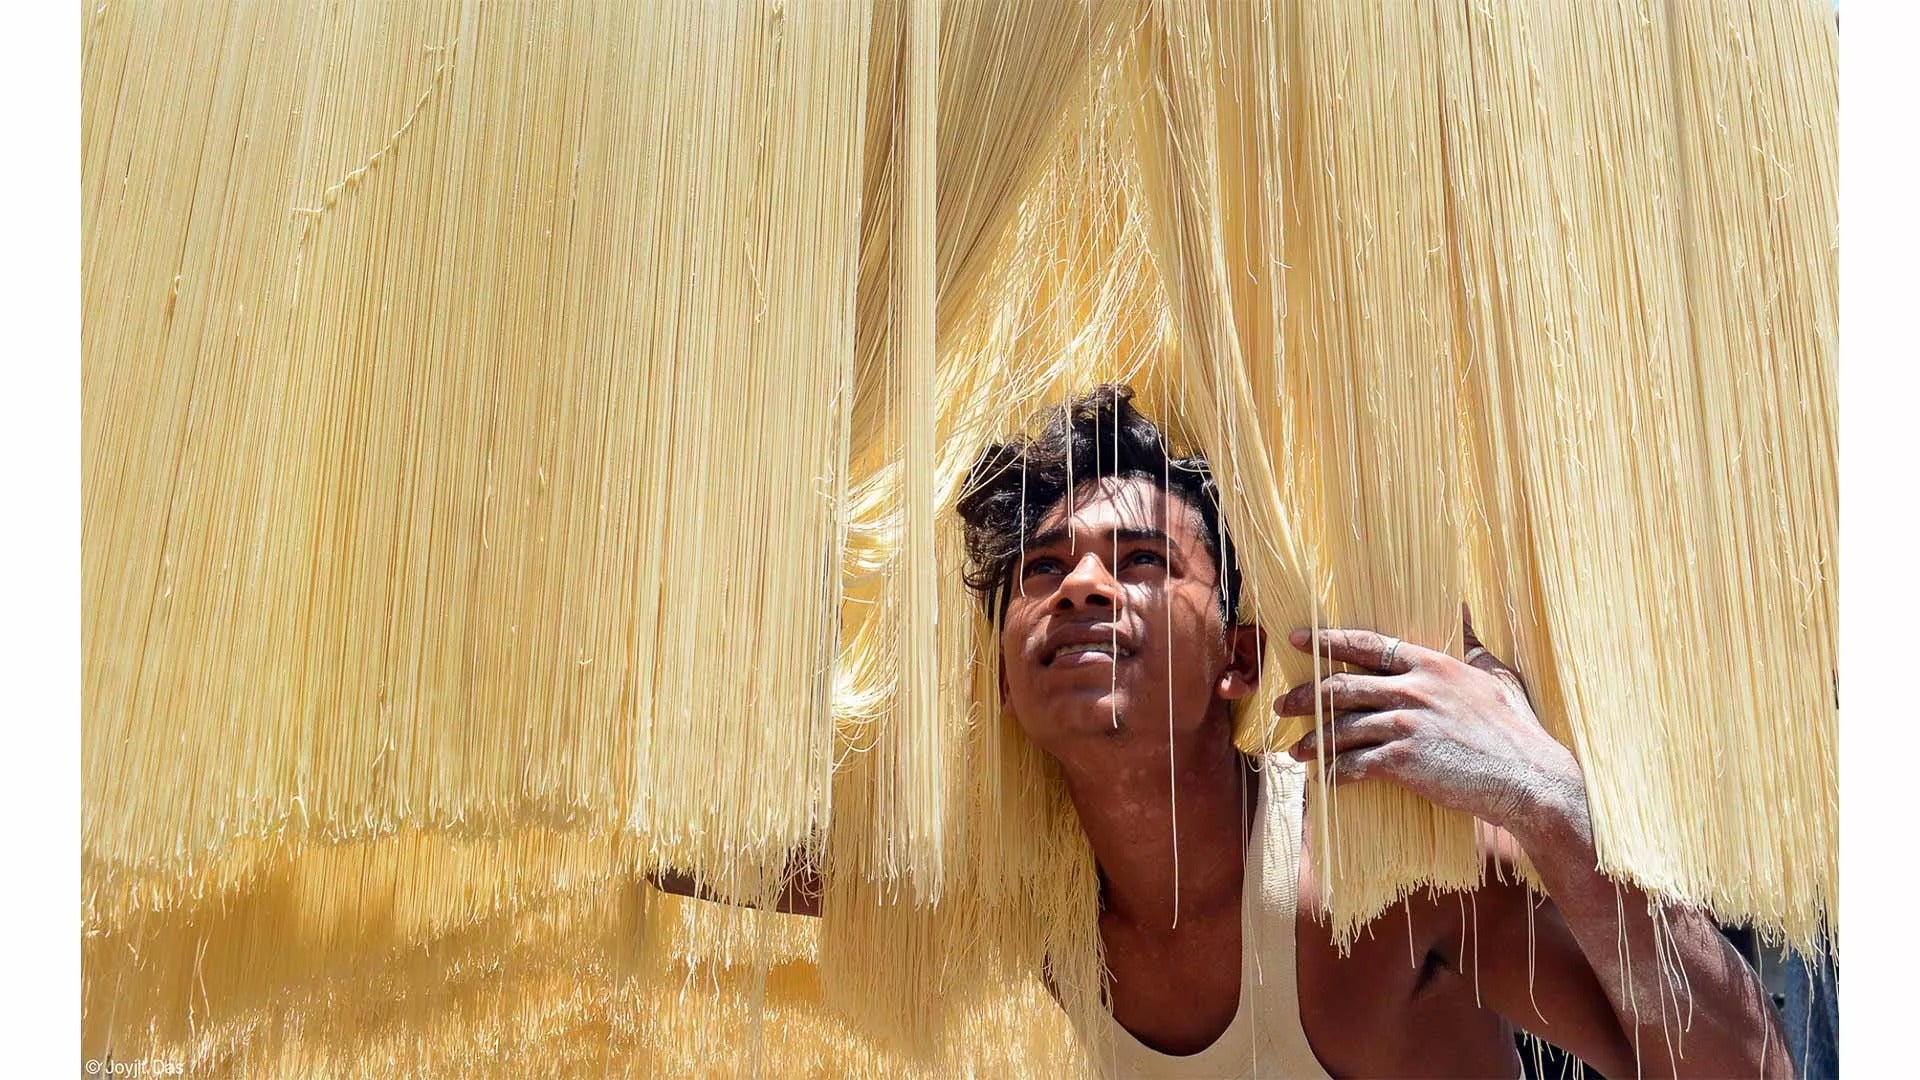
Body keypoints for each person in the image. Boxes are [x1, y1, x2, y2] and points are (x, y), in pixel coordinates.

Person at [660, 385, 1790, 1078]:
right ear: (1004, 681)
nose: (1082, 590)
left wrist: (1546, 796)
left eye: (1142, 563)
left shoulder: (1380, 879)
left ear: (1238, 666)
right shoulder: (1036, 901)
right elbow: (683, 850)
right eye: (1043, 571)